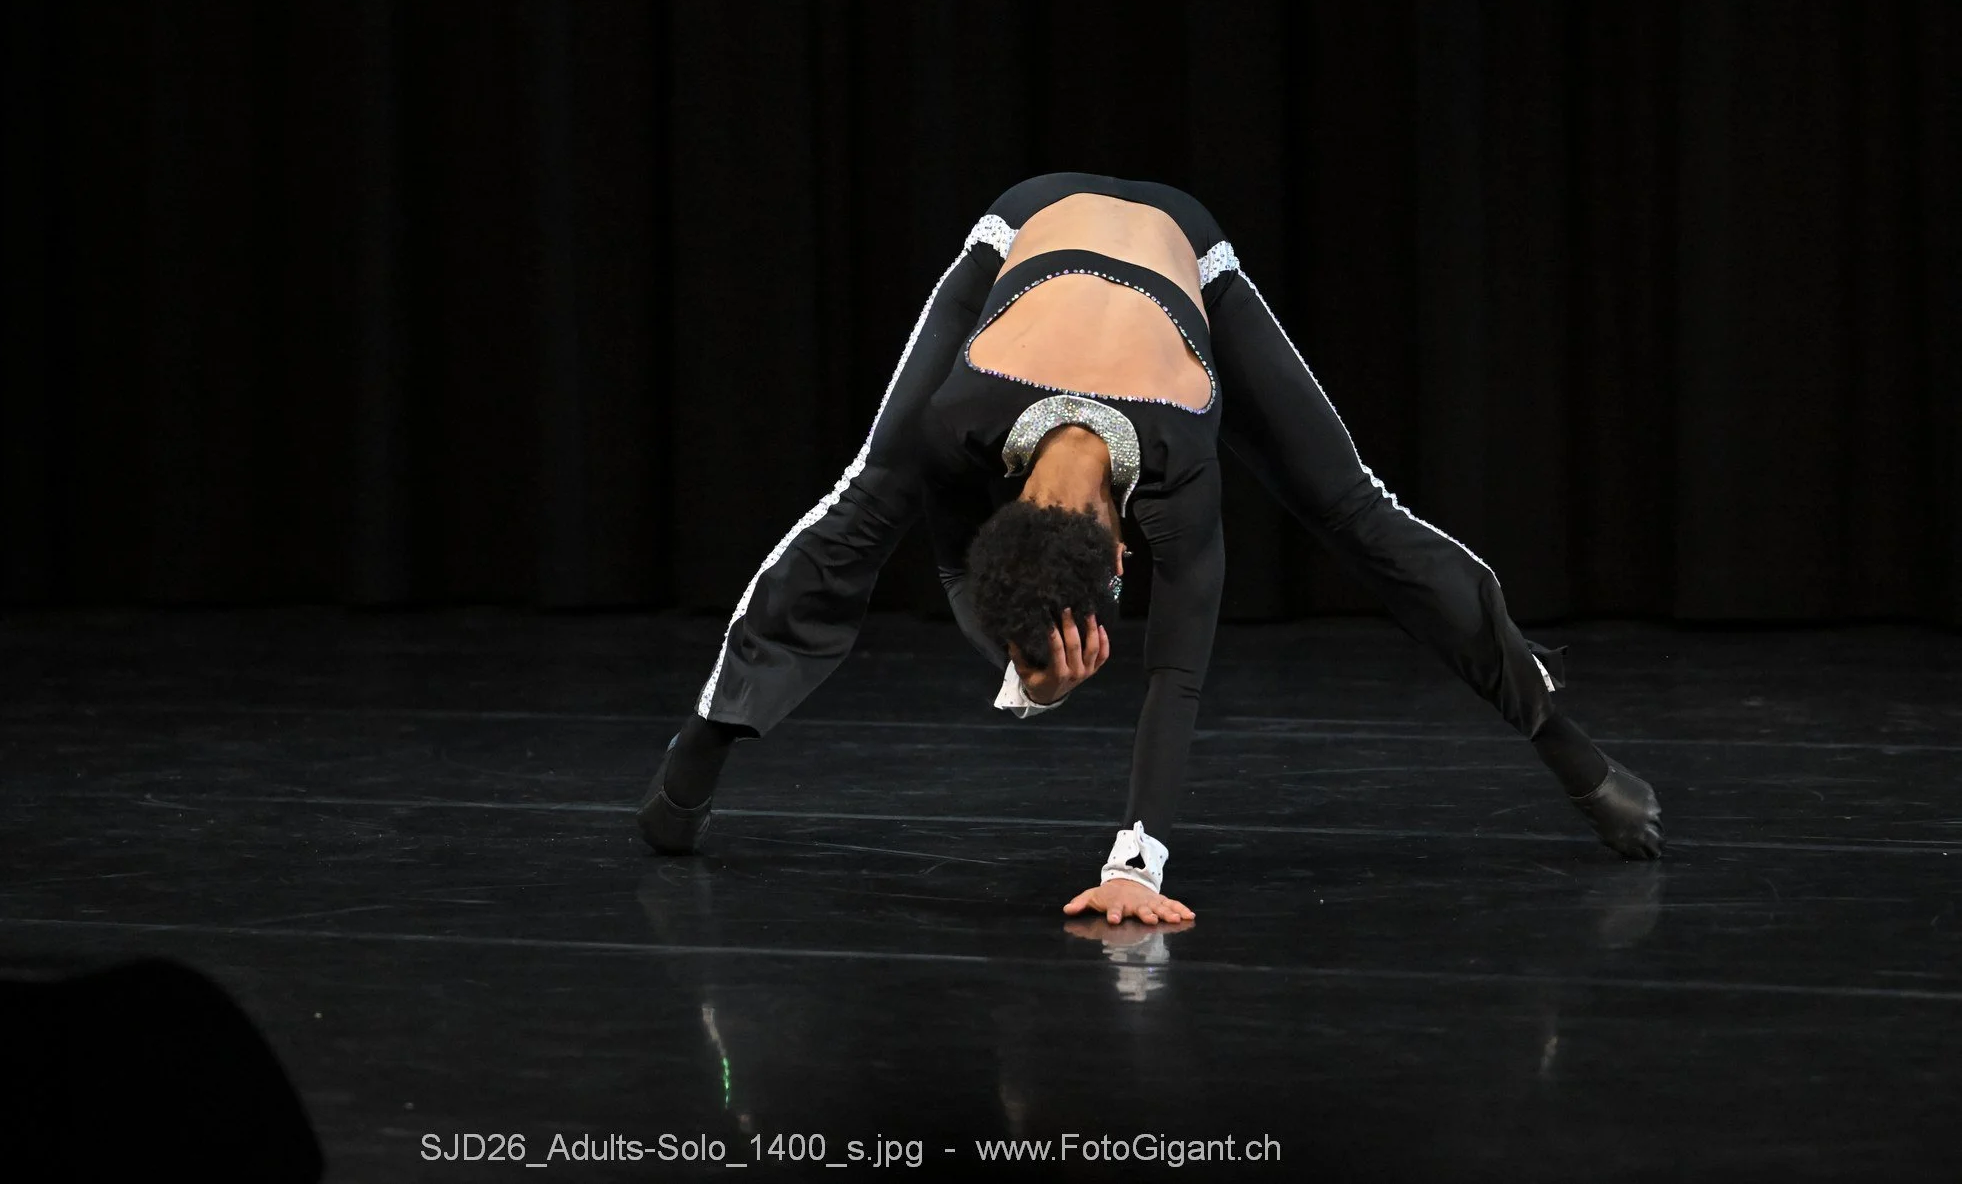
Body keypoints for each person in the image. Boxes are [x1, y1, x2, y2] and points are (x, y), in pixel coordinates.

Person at [636, 172, 1662, 925]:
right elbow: (951, 566)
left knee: (1359, 510)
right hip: (1024, 241)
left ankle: (1572, 753)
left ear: (1125, 553)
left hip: (1181, 255)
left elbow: (1177, 668)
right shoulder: (955, 421)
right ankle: (701, 746)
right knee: (863, 500)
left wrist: (1136, 859)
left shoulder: (1179, 455)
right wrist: (1022, 674)